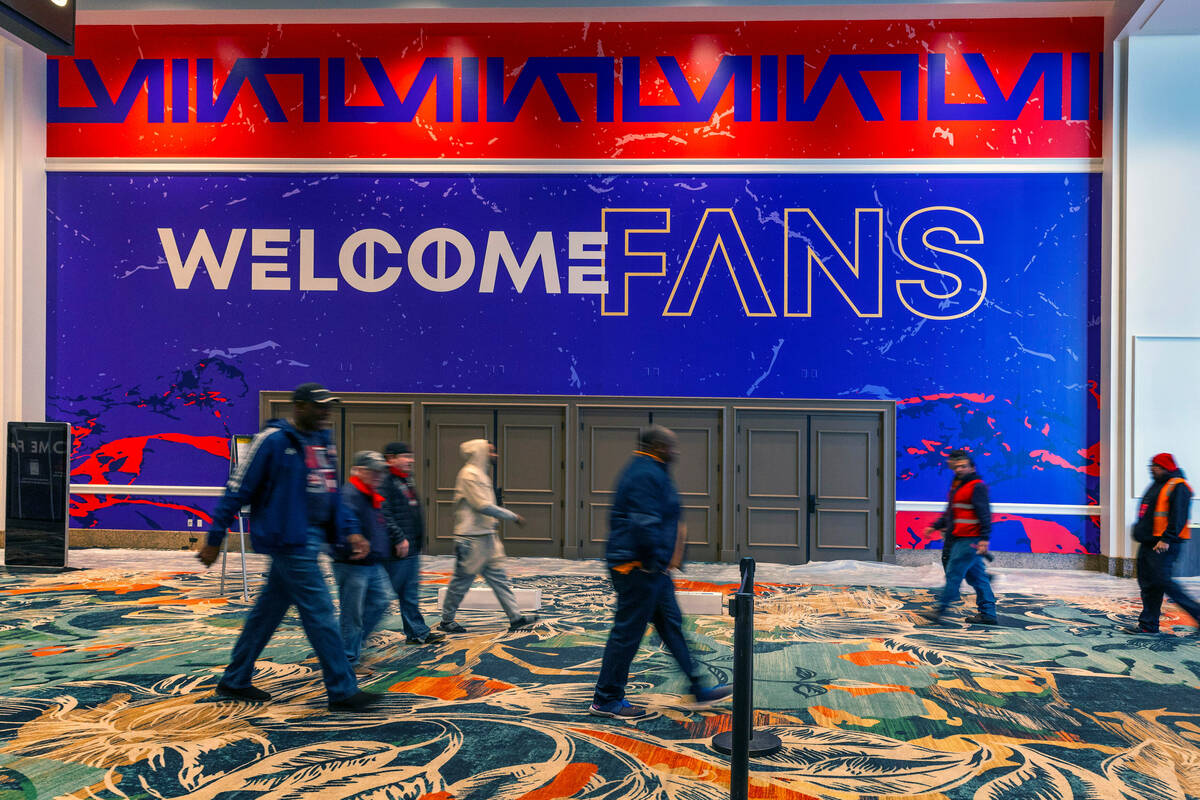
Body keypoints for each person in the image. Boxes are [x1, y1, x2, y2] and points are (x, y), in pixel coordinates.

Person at [197, 382, 378, 711]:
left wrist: (351, 530)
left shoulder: (323, 441)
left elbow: (332, 493)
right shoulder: (273, 441)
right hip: (289, 541)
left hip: (311, 538)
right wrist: (214, 537)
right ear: (298, 407)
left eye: (328, 406)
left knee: (266, 614)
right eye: (319, 406)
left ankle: (235, 679)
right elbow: (237, 488)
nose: (325, 413)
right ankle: (342, 690)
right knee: (321, 613)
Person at [590, 426, 732, 719]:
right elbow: (644, 523)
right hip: (639, 568)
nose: (676, 452)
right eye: (671, 447)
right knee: (627, 633)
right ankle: (605, 699)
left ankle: (698, 688)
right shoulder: (645, 473)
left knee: (672, 627)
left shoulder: (649, 469)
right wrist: (654, 563)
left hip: (652, 570)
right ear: (658, 447)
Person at [438, 439, 538, 634]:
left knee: (500, 579)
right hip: (471, 539)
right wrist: (512, 516)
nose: (495, 455)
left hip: (486, 538)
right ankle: (447, 621)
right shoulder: (469, 475)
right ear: (480, 452)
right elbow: (482, 505)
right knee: (461, 582)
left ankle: (515, 617)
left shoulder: (481, 475)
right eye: (491, 451)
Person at [1123, 452, 1200, 635]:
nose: (1152, 470)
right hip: (1149, 543)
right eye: (1152, 466)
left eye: (1156, 467)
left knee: (1162, 582)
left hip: (1164, 544)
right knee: (1148, 584)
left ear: (1166, 468)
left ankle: (1197, 613)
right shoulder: (1158, 484)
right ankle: (1148, 625)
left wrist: (1167, 538)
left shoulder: (1179, 487)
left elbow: (1179, 516)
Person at [331, 451, 394, 672]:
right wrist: (351, 547)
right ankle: (347, 661)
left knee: (381, 601)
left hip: (371, 562)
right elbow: (341, 527)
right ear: (359, 471)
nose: (379, 475)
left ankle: (347, 646)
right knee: (352, 614)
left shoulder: (370, 494)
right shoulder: (350, 494)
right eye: (373, 471)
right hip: (351, 564)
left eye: (380, 471)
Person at [919, 450, 997, 625]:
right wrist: (935, 526)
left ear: (972, 468)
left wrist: (984, 539)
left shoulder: (977, 487)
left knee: (954, 573)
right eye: (958, 466)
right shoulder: (957, 485)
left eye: (964, 466)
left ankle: (940, 610)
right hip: (958, 537)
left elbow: (985, 514)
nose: (960, 469)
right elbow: (951, 512)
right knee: (978, 577)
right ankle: (988, 614)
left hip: (970, 539)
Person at [380, 441, 444, 645]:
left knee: (409, 592)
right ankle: (353, 642)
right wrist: (399, 538)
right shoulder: (385, 481)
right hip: (395, 550)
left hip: (410, 548)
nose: (411, 460)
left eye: (410, 455)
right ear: (391, 459)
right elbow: (385, 514)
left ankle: (418, 632)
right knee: (379, 599)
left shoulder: (405, 480)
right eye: (405, 456)